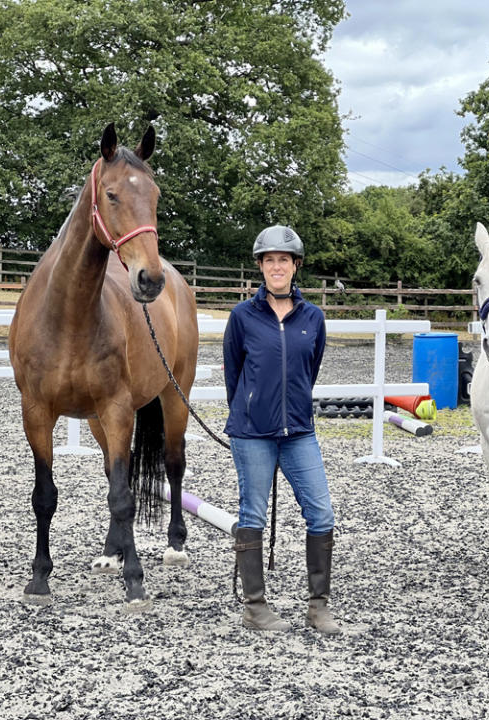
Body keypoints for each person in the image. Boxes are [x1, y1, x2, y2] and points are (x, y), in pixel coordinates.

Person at [222, 225, 341, 635]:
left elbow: (311, 368)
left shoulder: (313, 318)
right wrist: (252, 411)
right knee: (251, 512)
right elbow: (234, 376)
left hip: (299, 432)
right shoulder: (242, 317)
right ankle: (255, 607)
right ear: (260, 266)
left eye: (284, 260)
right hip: (252, 432)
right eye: (269, 260)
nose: (277, 266)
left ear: (295, 267)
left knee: (321, 512)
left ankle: (318, 605)